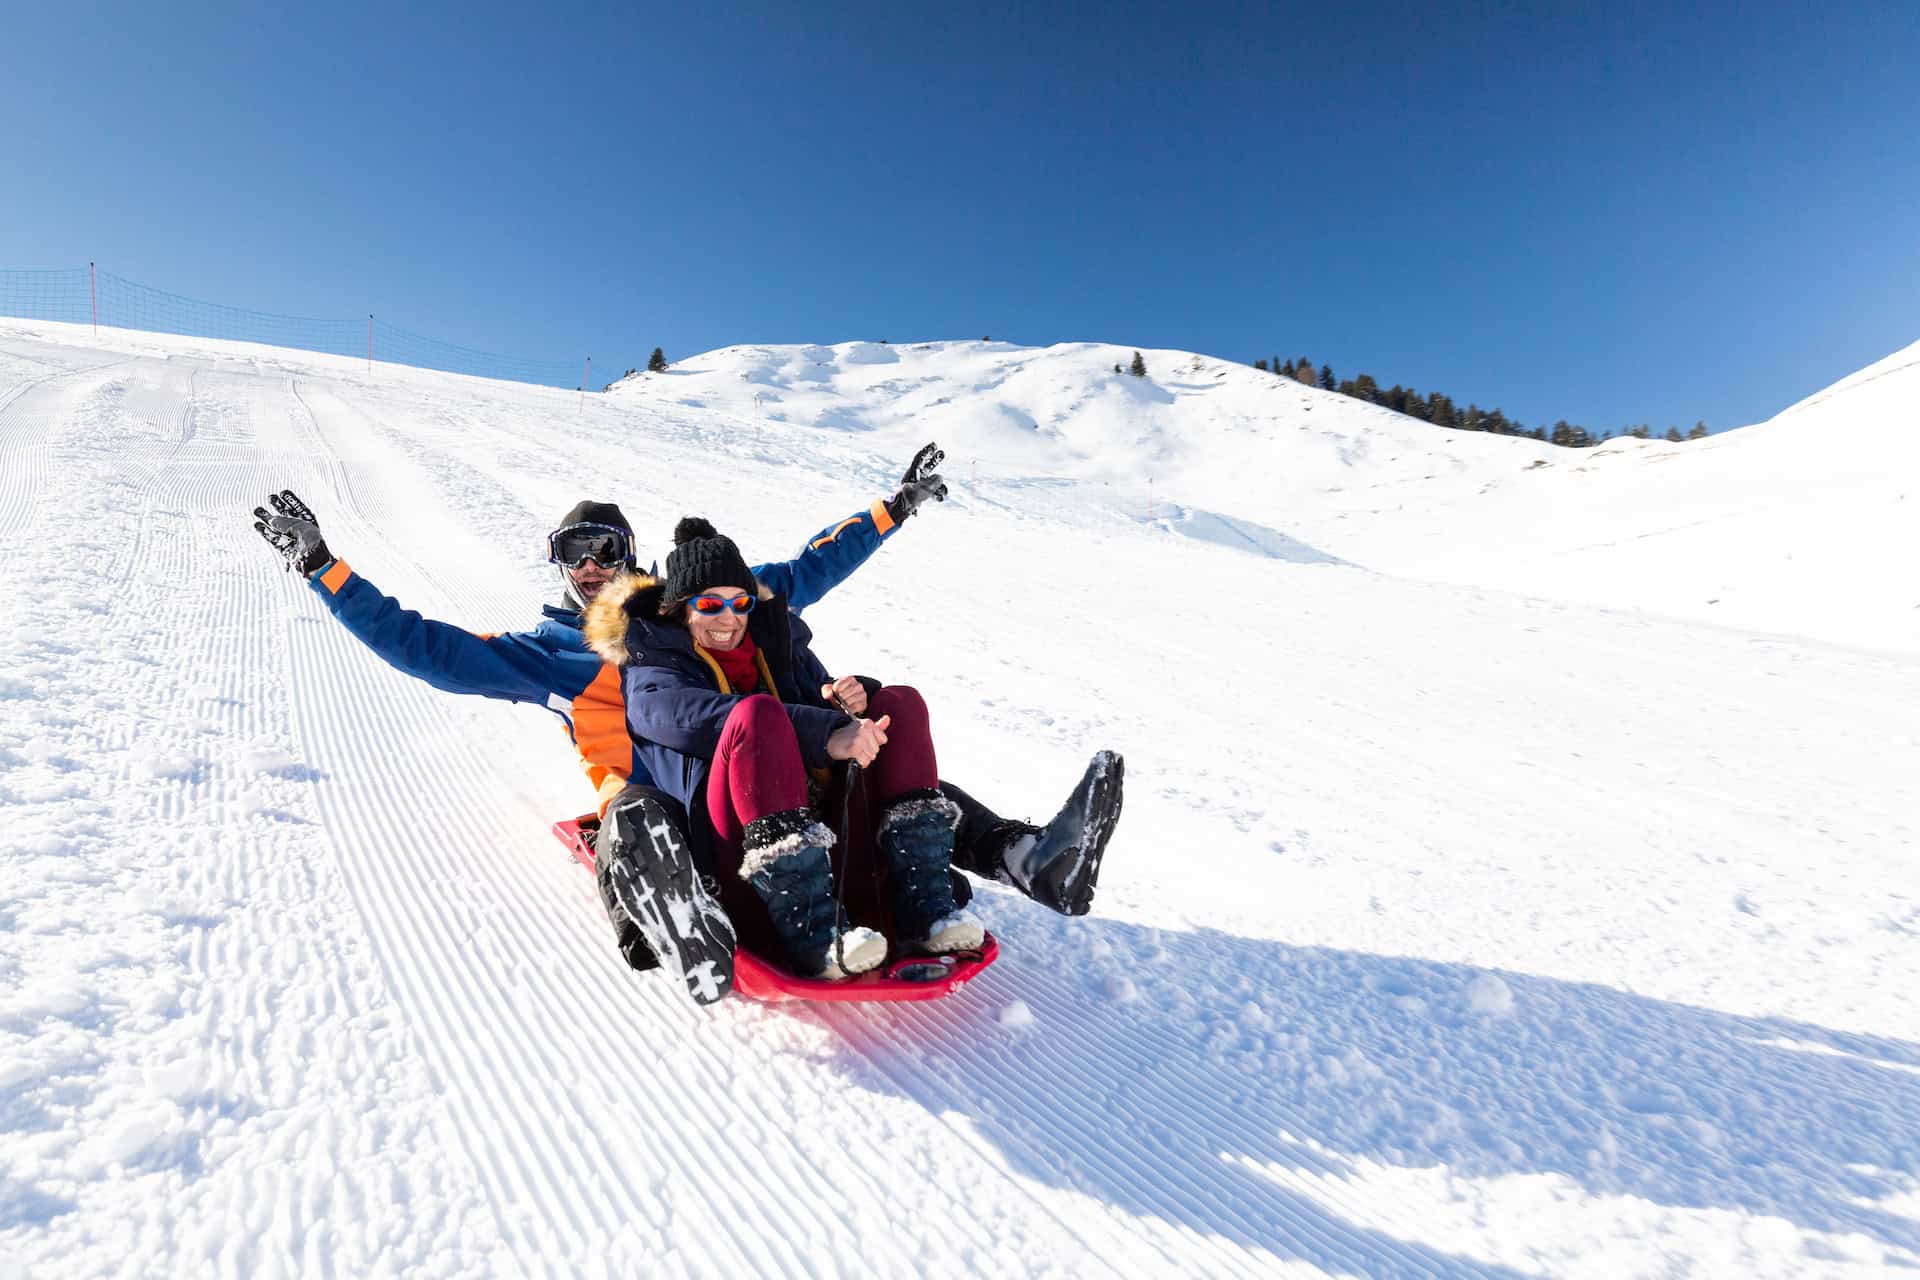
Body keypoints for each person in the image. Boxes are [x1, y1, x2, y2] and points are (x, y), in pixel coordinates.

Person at [251, 445, 1123, 1001]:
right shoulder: (551, 652)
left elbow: (804, 572)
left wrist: (891, 510)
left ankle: (1019, 854)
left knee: (877, 756)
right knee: (635, 816)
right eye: (574, 554)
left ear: (633, 557)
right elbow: (424, 647)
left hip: (755, 777)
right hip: (661, 801)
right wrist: (324, 567)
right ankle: (670, 919)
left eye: (607, 548)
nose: (592, 566)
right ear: (558, 568)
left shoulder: (687, 609)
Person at [586, 516, 999, 980]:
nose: (729, 618)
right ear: (680, 609)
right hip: (736, 861)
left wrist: (841, 702)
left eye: (740, 603)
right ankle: (814, 934)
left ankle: (926, 908)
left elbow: (821, 703)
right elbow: (697, 717)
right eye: (710, 604)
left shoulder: (774, 644)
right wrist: (825, 731)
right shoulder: (651, 668)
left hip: (831, 838)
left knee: (899, 703)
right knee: (757, 716)